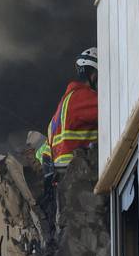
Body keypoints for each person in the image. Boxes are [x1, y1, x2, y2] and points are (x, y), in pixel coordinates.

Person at [36, 48, 99, 178]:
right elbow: (112, 110)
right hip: (80, 175)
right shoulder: (81, 97)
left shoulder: (60, 110)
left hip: (65, 180)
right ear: (93, 75)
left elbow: (43, 153)